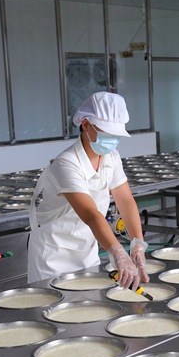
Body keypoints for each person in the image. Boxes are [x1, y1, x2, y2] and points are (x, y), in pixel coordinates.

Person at [27, 91, 149, 289]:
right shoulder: (66, 163)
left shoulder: (111, 157)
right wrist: (118, 253)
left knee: (90, 301)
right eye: (107, 133)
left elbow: (125, 200)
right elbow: (90, 214)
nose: (112, 139)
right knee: (56, 304)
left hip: (87, 250)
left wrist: (138, 243)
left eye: (116, 135)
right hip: (54, 255)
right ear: (85, 125)